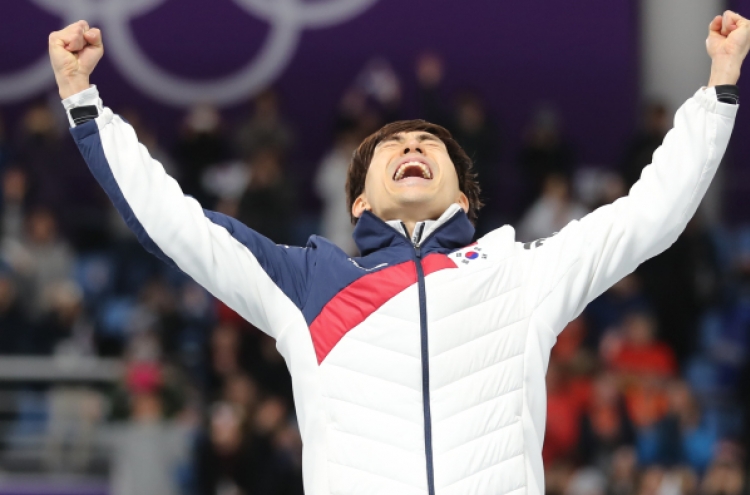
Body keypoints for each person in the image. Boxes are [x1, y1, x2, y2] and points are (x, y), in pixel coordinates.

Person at [47, 12, 747, 495]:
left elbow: (649, 216)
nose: (412, 146)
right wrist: (85, 103)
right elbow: (175, 224)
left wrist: (717, 89)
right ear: (357, 202)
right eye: (393, 145)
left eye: (428, 144)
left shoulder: (520, 272)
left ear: (465, 198)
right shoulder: (306, 283)